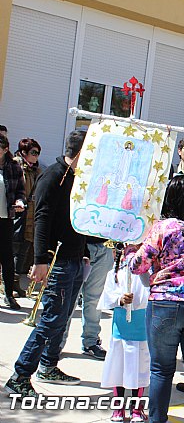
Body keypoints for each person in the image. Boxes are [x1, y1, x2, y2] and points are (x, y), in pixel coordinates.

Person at [5, 130, 86, 399]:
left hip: (75, 257)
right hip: (57, 260)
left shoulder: (77, 177)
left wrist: (83, 250)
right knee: (50, 320)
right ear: (79, 151)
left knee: (62, 319)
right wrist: (40, 261)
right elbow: (41, 219)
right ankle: (20, 375)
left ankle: (49, 366)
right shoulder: (53, 176)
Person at [129, 175, 184, 423]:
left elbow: (138, 266)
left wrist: (130, 252)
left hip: (165, 302)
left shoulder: (163, 227)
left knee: (161, 370)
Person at [98, 257, 150, 423]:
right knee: (118, 366)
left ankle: (137, 408)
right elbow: (108, 295)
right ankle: (118, 407)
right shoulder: (115, 272)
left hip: (142, 327)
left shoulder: (149, 271)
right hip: (121, 327)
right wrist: (120, 300)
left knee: (140, 368)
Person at [12, 138, 41, 298]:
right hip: (17, 215)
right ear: (24, 152)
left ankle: (15, 282)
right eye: (33, 153)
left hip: (31, 217)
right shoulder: (16, 166)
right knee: (13, 250)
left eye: (38, 153)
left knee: (23, 251)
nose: (36, 156)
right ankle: (9, 284)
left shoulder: (36, 171)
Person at [0, 134, 26, 308]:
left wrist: (20, 202)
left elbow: (20, 192)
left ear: (5, 150)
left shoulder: (14, 167)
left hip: (5, 218)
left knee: (7, 258)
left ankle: (8, 294)